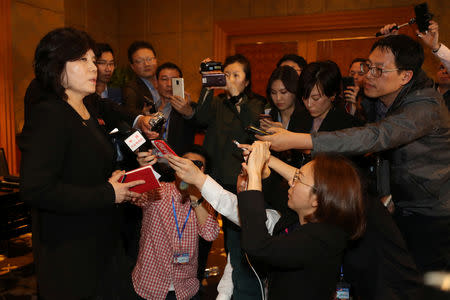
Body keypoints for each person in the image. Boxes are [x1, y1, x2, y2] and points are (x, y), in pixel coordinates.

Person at [258, 34, 450, 273]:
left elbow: (374, 137)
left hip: (432, 213)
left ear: (405, 76)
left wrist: (297, 140)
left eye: (379, 70)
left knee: (425, 281)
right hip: (402, 204)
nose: (368, 75)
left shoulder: (424, 107)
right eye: (369, 66)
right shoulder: (385, 95)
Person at [19, 27, 145, 300]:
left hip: (103, 241)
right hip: (70, 251)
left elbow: (85, 169)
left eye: (92, 60)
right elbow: (36, 189)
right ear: (56, 67)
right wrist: (107, 193)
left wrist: (120, 187)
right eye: (82, 60)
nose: (94, 68)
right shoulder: (49, 114)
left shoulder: (87, 109)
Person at [238, 141, 365, 299]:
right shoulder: (305, 218)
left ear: (317, 199)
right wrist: (263, 170)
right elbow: (278, 194)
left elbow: (258, 246)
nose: (291, 181)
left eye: (298, 178)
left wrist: (255, 174)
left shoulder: (323, 238)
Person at [194, 54, 266, 299]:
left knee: (237, 237)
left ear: (247, 81)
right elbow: (199, 119)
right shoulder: (216, 102)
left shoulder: (257, 104)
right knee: (205, 229)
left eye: (236, 75)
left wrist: (237, 99)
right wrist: (207, 85)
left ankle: (241, 283)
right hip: (214, 176)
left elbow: (251, 127)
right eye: (227, 75)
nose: (231, 80)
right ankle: (200, 280)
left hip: (240, 179)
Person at [130, 146, 219, 300]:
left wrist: (194, 195)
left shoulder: (205, 202)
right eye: (184, 163)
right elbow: (135, 196)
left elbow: (210, 234)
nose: (189, 168)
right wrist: (143, 169)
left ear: (203, 173)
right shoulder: (159, 191)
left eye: (196, 165)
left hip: (185, 290)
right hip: (149, 286)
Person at [155, 62, 197, 154]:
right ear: (156, 83)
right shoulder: (151, 108)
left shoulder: (189, 107)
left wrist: (189, 112)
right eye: (164, 79)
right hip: (152, 161)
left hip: (177, 163)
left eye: (174, 80)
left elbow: (202, 124)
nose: (169, 84)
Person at [122, 41, 160, 115]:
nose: (146, 64)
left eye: (149, 59)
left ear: (156, 60)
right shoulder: (131, 89)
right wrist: (142, 114)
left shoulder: (166, 81)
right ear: (132, 66)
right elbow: (129, 113)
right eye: (140, 61)